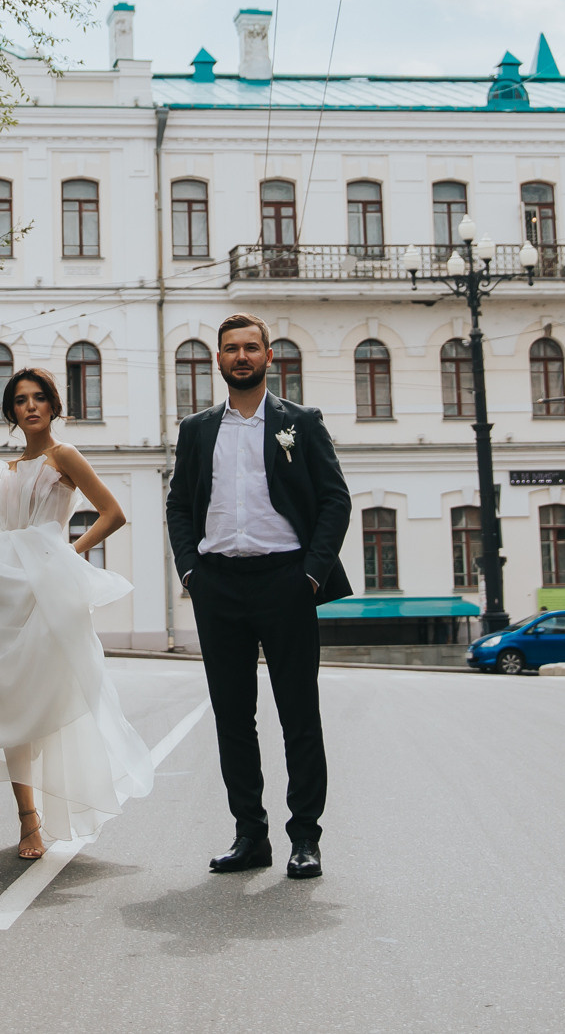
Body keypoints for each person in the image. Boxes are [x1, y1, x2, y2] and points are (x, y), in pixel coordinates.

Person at [0, 367, 154, 864]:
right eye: (21, 400)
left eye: (39, 397)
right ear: (11, 411)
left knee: (12, 704)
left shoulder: (63, 456)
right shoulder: (4, 469)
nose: (30, 406)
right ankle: (27, 819)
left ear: (53, 405)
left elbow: (113, 513)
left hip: (44, 597)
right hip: (1, 593)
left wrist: (66, 555)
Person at [165, 313, 351, 881]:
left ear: (269, 357)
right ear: (218, 359)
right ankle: (250, 835)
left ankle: (305, 838)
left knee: (299, 714)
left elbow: (335, 500)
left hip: (286, 581)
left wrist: (311, 575)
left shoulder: (301, 422)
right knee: (232, 717)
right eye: (231, 349)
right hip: (218, 585)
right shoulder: (197, 429)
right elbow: (179, 505)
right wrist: (192, 572)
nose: (241, 356)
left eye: (251, 347)